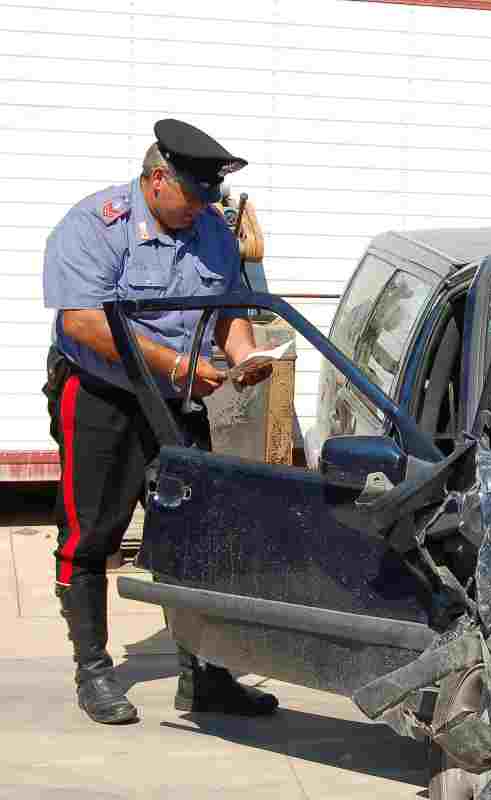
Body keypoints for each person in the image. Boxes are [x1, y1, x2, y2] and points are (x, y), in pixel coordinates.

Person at [42, 119, 279, 724]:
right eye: (193, 196)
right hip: (102, 395)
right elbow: (83, 324)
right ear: (156, 180)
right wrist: (177, 364)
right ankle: (93, 670)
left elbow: (228, 310)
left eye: (209, 198)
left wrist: (247, 355)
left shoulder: (210, 231)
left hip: (176, 400)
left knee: (196, 531)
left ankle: (204, 676)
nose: (202, 208)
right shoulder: (96, 224)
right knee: (91, 532)